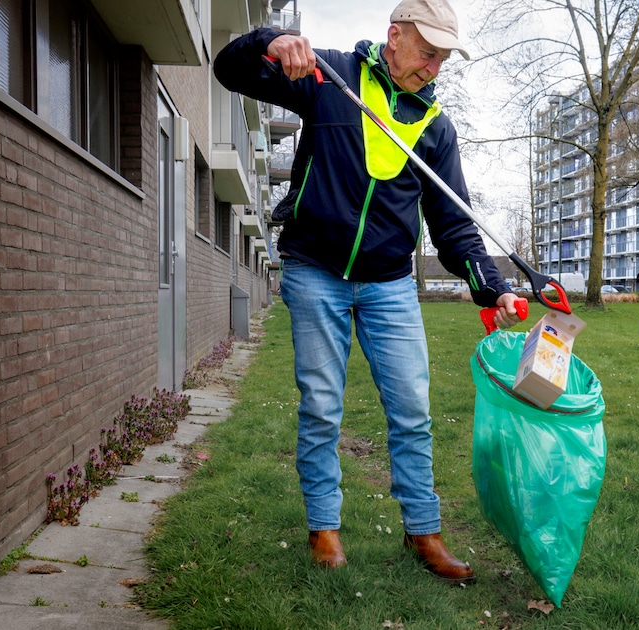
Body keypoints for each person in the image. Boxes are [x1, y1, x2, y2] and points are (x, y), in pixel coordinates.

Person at [214, 0, 521, 583]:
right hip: (315, 272)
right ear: (395, 36)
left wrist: (492, 287)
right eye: (427, 53)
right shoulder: (328, 78)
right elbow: (230, 70)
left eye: (442, 59)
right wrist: (269, 41)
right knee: (323, 407)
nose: (433, 67)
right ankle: (324, 530)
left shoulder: (436, 129)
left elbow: (454, 225)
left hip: (389, 284)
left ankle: (423, 532)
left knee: (411, 410)